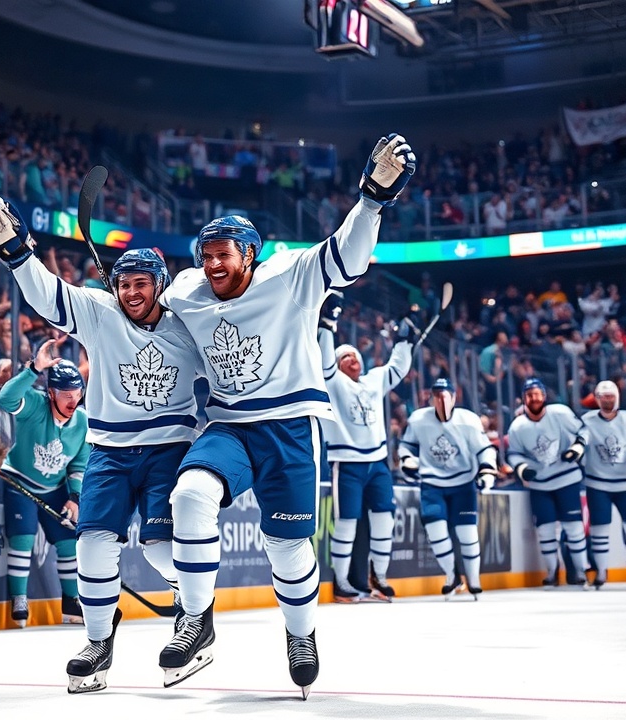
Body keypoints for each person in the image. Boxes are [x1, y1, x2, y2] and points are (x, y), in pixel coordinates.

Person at [145, 134, 414, 694]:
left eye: (224, 254)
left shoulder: (289, 275)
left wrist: (371, 201)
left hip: (290, 426)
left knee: (287, 548)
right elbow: (148, 318)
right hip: (228, 424)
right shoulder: (188, 290)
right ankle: (195, 619)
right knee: (189, 496)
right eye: (206, 256)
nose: (213, 264)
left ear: (250, 254)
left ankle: (301, 632)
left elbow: (349, 256)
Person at [0, 199, 205, 692]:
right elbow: (48, 295)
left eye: (141, 283)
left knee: (162, 549)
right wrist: (17, 254)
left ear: (160, 285)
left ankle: (194, 609)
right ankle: (98, 642)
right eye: (124, 284)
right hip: (109, 451)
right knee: (92, 547)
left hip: (169, 448)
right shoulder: (101, 313)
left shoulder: (189, 325)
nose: (131, 292)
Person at [317, 303, 414, 602]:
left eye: (354, 355)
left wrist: (404, 342)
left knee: (385, 519)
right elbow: (324, 362)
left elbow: (397, 368)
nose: (352, 359)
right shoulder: (333, 383)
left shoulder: (373, 381)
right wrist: (327, 327)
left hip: (378, 463)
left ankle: (379, 577)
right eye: (344, 357)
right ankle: (341, 582)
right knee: (346, 523)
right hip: (347, 464)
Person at [0, 343, 90, 629]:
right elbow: (5, 399)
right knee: (23, 538)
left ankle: (71, 602)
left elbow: (79, 463)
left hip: (55, 487)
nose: (73, 401)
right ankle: (19, 598)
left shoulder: (82, 421)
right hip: (20, 480)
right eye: (66, 395)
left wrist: (74, 498)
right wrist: (33, 369)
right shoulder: (36, 405)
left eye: (77, 394)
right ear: (50, 393)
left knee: (68, 540)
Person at [399, 379, 498, 599]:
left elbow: (485, 449)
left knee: (467, 533)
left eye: (445, 395)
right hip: (432, 483)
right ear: (431, 398)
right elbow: (406, 446)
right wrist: (407, 461)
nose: (441, 400)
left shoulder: (468, 420)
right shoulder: (419, 420)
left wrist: (487, 470)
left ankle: (474, 580)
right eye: (437, 395)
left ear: (454, 397)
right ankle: (451, 576)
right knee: (436, 531)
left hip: (463, 484)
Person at [504, 378, 591, 589]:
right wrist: (522, 468)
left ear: (544, 395)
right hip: (540, 485)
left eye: (537, 394)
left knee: (574, 528)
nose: (534, 398)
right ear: (523, 398)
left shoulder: (560, 413)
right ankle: (552, 572)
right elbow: (513, 454)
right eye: (529, 395)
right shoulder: (517, 426)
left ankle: (581, 571)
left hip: (567, 479)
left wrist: (578, 448)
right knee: (546, 531)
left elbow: (584, 431)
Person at [565, 380, 626, 587]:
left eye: (610, 396)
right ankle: (601, 571)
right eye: (603, 397)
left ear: (617, 397)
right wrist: (578, 456)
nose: (607, 401)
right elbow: (580, 442)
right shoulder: (587, 420)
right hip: (598, 484)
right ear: (597, 399)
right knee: (600, 530)